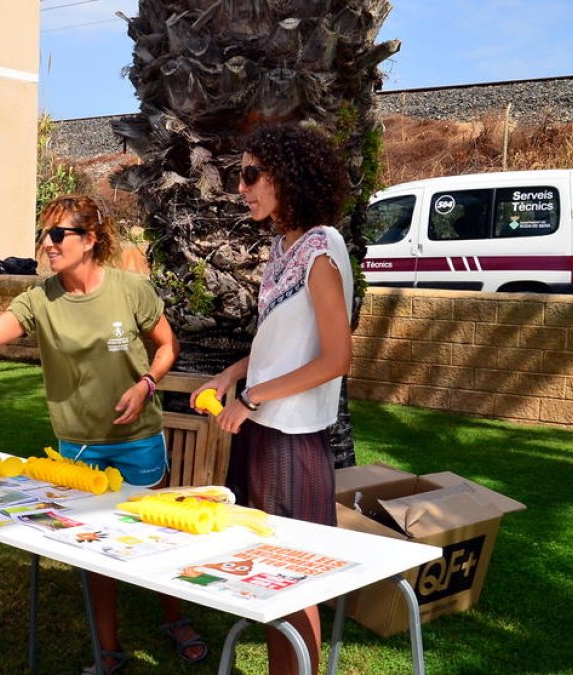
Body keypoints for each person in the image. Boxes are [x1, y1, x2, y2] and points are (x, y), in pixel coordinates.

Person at [0, 195, 202, 674]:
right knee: (93, 548)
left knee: (156, 534)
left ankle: (175, 618)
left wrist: (146, 385)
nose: (47, 244)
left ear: (91, 239)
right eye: (45, 235)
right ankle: (108, 651)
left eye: (58, 234)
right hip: (77, 448)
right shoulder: (39, 299)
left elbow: (166, 346)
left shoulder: (130, 289)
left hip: (138, 439)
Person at [189, 124, 353, 675]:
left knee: (292, 577)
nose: (242, 187)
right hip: (262, 431)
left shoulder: (321, 247)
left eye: (252, 174)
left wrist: (252, 397)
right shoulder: (284, 248)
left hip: (291, 440)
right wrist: (232, 376)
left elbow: (336, 359)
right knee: (263, 568)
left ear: (289, 176)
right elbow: (279, 344)